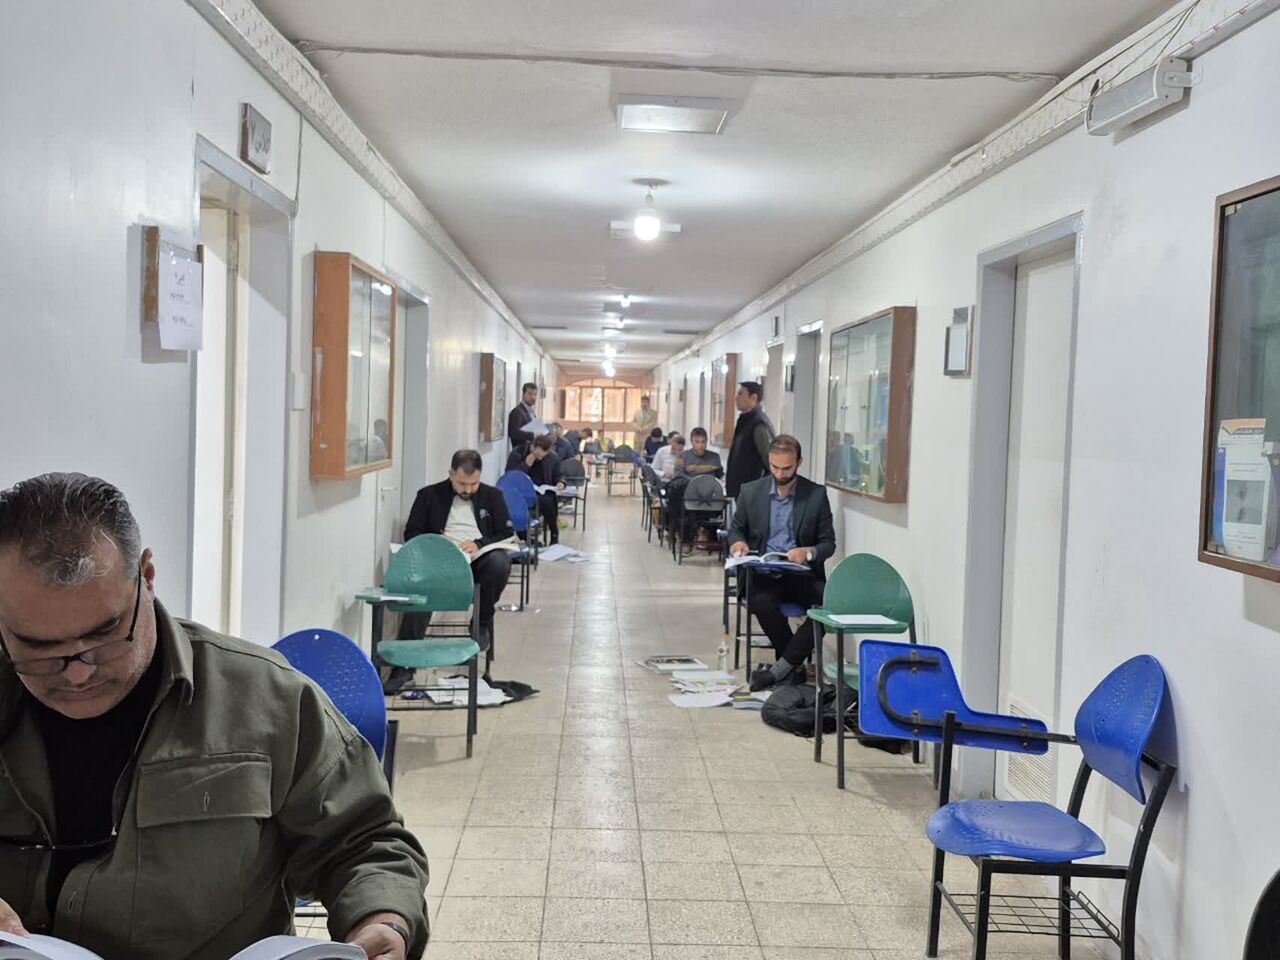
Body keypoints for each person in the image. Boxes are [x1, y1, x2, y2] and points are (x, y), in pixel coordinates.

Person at [0, 473, 428, 960]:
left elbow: (364, 842)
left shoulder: (268, 699)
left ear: (147, 577)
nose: (78, 673)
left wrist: (383, 920)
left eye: (105, 634)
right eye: (38, 647)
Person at [392, 450, 517, 690]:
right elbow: (412, 532)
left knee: (499, 564)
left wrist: (479, 543)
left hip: (478, 561)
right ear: (450, 474)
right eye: (462, 483)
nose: (468, 490)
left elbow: (506, 533)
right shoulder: (428, 495)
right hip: (439, 560)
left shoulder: (493, 496)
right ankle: (403, 667)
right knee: (420, 589)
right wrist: (437, 544)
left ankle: (481, 621)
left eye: (474, 484)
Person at [726, 436, 836, 691]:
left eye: (786, 468)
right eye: (774, 467)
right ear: (769, 461)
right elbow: (736, 529)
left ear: (799, 462)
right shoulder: (751, 492)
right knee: (762, 603)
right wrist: (738, 542)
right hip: (763, 573)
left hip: (801, 574)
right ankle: (792, 668)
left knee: (831, 606)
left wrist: (808, 552)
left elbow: (828, 543)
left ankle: (778, 672)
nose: (779, 474)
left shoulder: (815, 495)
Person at [506, 435, 565, 544]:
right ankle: (525, 538)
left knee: (549, 501)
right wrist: (525, 465)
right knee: (519, 505)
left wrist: (561, 482)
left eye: (543, 456)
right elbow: (509, 476)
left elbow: (558, 474)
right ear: (533, 446)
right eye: (538, 455)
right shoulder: (518, 453)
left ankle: (554, 534)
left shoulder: (552, 457)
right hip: (521, 492)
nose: (540, 458)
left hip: (542, 492)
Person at [725, 381, 775, 497]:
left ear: (753, 398)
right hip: (743, 493)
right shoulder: (745, 422)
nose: (736, 398)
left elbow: (772, 463)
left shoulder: (759, 425)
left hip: (753, 495)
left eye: (741, 394)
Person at [507, 381, 541, 450]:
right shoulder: (517, 411)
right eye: (530, 394)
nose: (533, 397)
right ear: (523, 394)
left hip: (531, 450)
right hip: (521, 452)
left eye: (535, 394)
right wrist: (533, 435)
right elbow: (513, 433)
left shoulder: (531, 412)